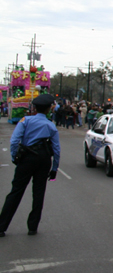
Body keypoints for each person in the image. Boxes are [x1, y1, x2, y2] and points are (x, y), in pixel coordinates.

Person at [0, 94, 61, 237]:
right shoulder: (51, 126)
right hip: (43, 159)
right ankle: (32, 227)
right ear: (48, 109)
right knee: (39, 193)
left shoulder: (25, 121)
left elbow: (14, 141)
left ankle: (2, 226)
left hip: (27, 157)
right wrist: (54, 169)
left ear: (34, 108)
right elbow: (57, 150)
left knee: (16, 191)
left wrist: (15, 157)